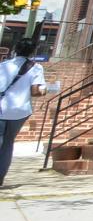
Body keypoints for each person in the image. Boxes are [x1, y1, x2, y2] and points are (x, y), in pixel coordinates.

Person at [0, 36, 56, 187]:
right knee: (7, 144)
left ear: (15, 49)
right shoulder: (36, 68)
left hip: (1, 109)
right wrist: (45, 90)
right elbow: (36, 91)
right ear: (33, 51)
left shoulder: (3, 65)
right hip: (19, 111)